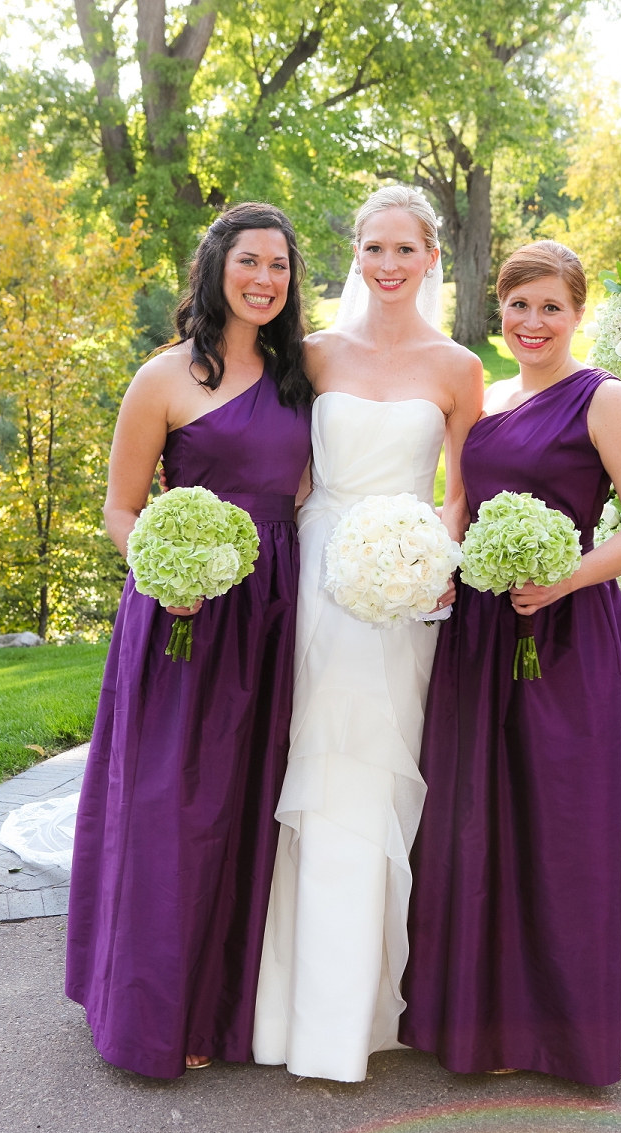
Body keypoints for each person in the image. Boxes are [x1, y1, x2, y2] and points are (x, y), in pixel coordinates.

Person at [400, 240, 621, 1087]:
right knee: (477, 818)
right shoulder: (487, 402)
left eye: (550, 306)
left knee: (563, 822)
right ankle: (480, 1020)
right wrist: (432, 571)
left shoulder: (605, 398)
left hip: (564, 636)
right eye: (518, 306)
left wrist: (564, 578)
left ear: (577, 314)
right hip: (481, 634)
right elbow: (460, 502)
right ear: (499, 312)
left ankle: (565, 1027)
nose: (531, 322)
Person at [65, 203, 313, 1078]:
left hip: (274, 616)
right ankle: (148, 1008)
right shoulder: (163, 379)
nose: (265, 280)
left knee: (248, 803)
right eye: (249, 261)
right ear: (216, 267)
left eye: (279, 267)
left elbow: (311, 494)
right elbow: (121, 509)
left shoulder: (298, 379)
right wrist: (169, 576)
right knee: (173, 807)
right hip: (186, 618)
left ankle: (223, 1007)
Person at [252, 186, 483, 1083]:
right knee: (308, 766)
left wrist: (437, 564)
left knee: (378, 776)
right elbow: (290, 472)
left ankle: (355, 1011)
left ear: (431, 256)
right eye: (373, 248)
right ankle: (287, 1009)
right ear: (357, 254)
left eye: (405, 250)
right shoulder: (312, 354)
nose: (388, 265)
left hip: (404, 589)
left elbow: (460, 488)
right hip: (316, 578)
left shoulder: (459, 367)